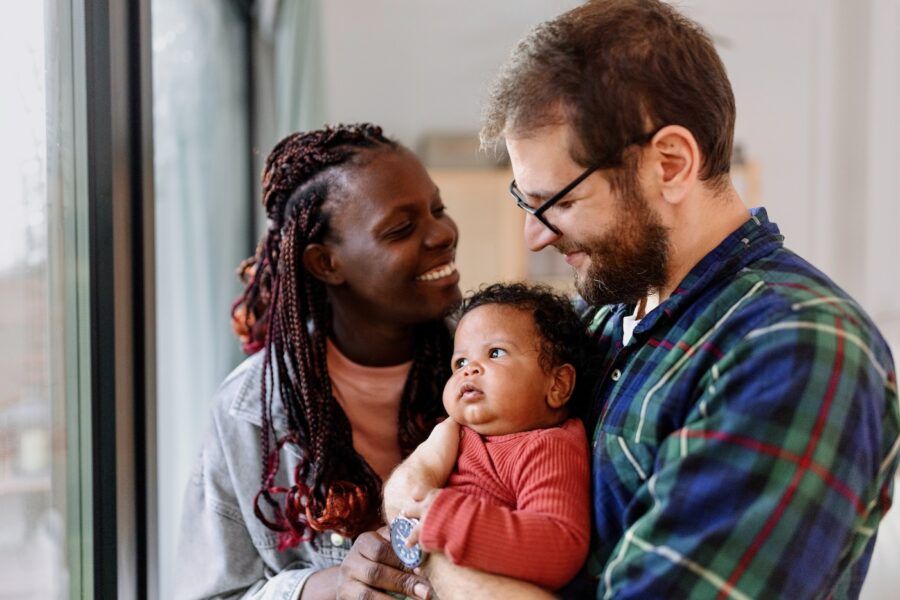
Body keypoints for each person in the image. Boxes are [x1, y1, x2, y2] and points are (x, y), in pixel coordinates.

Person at [383, 1, 900, 598]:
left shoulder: (797, 348)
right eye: (528, 204)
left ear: (671, 164)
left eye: (561, 203)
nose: (536, 235)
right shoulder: (602, 313)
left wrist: (426, 551)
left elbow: (419, 517)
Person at [175, 123, 462, 600]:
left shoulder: (499, 364)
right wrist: (325, 587)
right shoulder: (249, 412)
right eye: (402, 228)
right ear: (325, 263)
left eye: (438, 210)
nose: (443, 234)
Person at [386, 283, 593, 590]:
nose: (469, 371)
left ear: (557, 385)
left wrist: (450, 518)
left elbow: (559, 545)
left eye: (495, 353)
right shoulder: (453, 435)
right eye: (461, 362)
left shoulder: (546, 446)